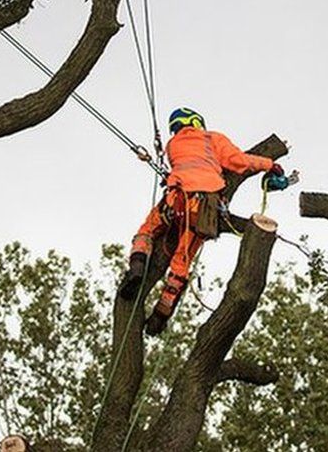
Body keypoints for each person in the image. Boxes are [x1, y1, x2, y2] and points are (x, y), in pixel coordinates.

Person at [119, 108, 283, 335]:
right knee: (181, 262)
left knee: (146, 231)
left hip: (176, 200)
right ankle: (161, 314)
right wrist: (269, 164)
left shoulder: (172, 145)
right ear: (196, 122)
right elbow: (237, 161)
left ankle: (137, 267)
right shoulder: (211, 138)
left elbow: (187, 165)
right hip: (204, 208)